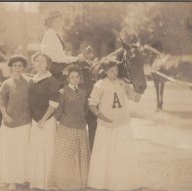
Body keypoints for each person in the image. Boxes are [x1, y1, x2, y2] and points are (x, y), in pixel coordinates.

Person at [87, 59, 143, 190]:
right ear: (105, 72)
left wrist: (141, 89)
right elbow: (91, 104)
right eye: (111, 71)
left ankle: (124, 182)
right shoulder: (99, 85)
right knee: (105, 154)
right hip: (106, 125)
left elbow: (135, 98)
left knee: (122, 153)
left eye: (116, 70)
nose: (114, 73)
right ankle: (103, 182)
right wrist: (101, 116)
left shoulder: (123, 83)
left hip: (122, 123)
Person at [0, 54, 31, 191]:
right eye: (15, 66)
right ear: (11, 67)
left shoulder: (29, 82)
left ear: (23, 67)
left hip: (25, 122)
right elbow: (1, 101)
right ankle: (11, 181)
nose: (18, 68)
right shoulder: (6, 84)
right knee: (10, 152)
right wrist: (5, 115)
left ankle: (23, 178)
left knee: (23, 151)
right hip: (10, 123)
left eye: (20, 66)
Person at [49, 65, 90, 190]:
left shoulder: (83, 92)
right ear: (68, 79)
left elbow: (86, 109)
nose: (75, 79)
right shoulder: (63, 92)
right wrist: (60, 121)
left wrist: (82, 117)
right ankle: (65, 184)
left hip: (81, 127)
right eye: (72, 77)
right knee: (67, 156)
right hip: (66, 127)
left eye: (77, 77)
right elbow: (58, 110)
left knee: (80, 155)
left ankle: (79, 183)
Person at [28, 52, 60, 190]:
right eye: (37, 61)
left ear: (47, 64)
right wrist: (35, 120)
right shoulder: (33, 80)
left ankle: (48, 183)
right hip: (35, 121)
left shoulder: (52, 81)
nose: (39, 64)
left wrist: (43, 119)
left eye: (42, 61)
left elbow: (53, 104)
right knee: (36, 150)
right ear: (34, 63)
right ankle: (37, 182)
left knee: (48, 150)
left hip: (47, 121)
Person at [41, 10, 84, 85]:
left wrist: (76, 58)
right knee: (81, 74)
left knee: (84, 67)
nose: (59, 24)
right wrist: (76, 59)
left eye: (60, 21)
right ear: (50, 23)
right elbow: (56, 58)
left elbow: (62, 57)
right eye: (56, 22)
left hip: (59, 66)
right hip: (55, 68)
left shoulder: (56, 34)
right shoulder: (50, 34)